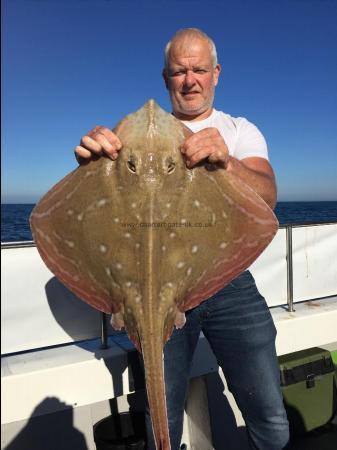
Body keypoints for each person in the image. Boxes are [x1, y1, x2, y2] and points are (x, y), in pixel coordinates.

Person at [75, 28, 290, 450]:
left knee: (269, 411)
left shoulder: (238, 129)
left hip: (229, 280)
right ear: (166, 77)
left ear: (216, 74)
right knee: (162, 416)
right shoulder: (129, 136)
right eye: (179, 71)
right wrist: (88, 169)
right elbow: (92, 211)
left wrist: (224, 162)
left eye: (199, 70)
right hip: (148, 287)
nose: (189, 80)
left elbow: (267, 198)